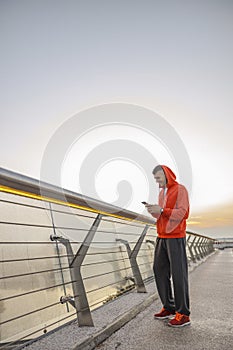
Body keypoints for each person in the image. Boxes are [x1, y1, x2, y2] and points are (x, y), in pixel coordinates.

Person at [146, 165, 190, 327]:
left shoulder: (180, 189)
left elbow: (183, 213)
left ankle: (183, 314)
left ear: (166, 175)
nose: (156, 181)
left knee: (179, 275)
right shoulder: (161, 193)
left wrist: (163, 209)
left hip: (176, 237)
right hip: (162, 236)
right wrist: (155, 211)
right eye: (155, 178)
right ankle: (169, 307)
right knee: (159, 271)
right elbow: (163, 214)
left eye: (158, 177)